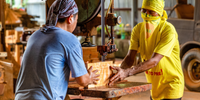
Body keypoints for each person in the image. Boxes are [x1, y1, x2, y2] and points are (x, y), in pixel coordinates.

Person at [15, 0, 99, 100]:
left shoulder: (35, 35)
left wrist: (79, 72)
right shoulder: (70, 39)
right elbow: (83, 81)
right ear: (70, 18)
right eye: (76, 20)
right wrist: (89, 77)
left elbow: (49, 73)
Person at [109, 0, 184, 100]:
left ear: (160, 12)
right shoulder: (138, 29)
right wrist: (119, 72)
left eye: (151, 11)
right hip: (154, 87)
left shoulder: (168, 30)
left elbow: (154, 61)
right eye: (144, 11)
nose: (147, 15)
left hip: (171, 85)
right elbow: (130, 58)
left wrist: (127, 72)